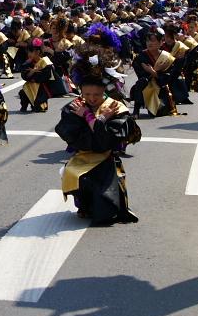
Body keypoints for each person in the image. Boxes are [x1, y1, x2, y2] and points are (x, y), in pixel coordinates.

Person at [55, 68, 140, 225]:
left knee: (105, 213)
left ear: (104, 91)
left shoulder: (116, 108)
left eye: (97, 94)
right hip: (82, 155)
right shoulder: (74, 107)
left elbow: (106, 141)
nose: (92, 99)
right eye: (86, 94)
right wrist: (99, 121)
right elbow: (74, 138)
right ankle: (84, 205)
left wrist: (90, 117)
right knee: (76, 176)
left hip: (106, 157)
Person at [130, 28, 179, 118]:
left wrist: (153, 72)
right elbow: (140, 73)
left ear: (161, 42)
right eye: (148, 41)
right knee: (141, 82)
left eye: (153, 41)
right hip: (147, 83)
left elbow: (168, 77)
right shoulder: (141, 56)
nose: (150, 43)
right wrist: (151, 74)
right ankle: (136, 111)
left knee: (158, 113)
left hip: (161, 86)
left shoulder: (167, 57)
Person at [18, 38, 56, 113]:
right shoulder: (27, 63)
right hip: (30, 85)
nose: (29, 54)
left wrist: (35, 78)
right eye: (28, 52)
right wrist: (32, 73)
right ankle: (24, 105)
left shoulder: (45, 62)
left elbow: (47, 75)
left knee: (39, 108)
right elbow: (24, 75)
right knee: (23, 93)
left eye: (31, 52)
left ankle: (38, 105)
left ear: (38, 52)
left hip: (42, 86)